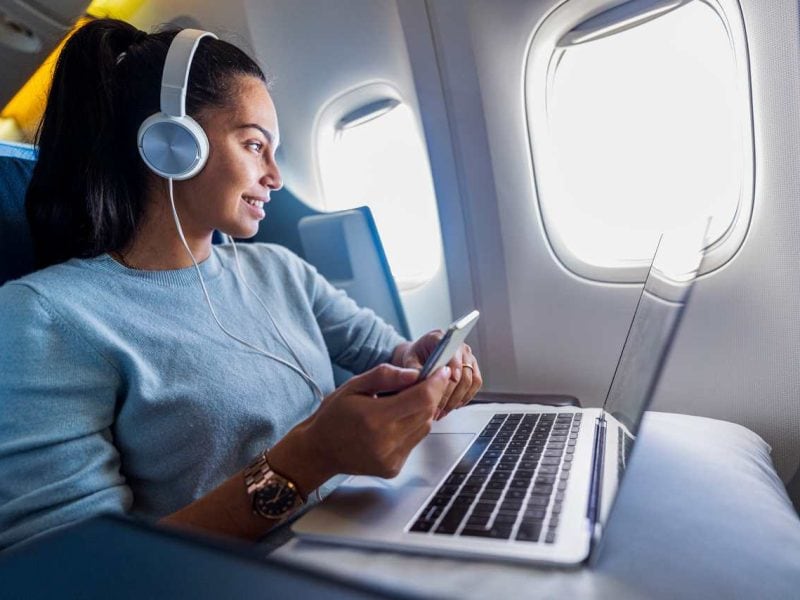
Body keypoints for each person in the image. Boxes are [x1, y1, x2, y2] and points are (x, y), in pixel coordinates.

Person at [0, 18, 482, 549]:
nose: (275, 175)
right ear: (171, 143)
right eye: (255, 145)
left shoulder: (279, 268)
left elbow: (386, 353)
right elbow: (77, 572)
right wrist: (312, 458)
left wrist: (426, 362)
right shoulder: (43, 317)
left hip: (363, 529)